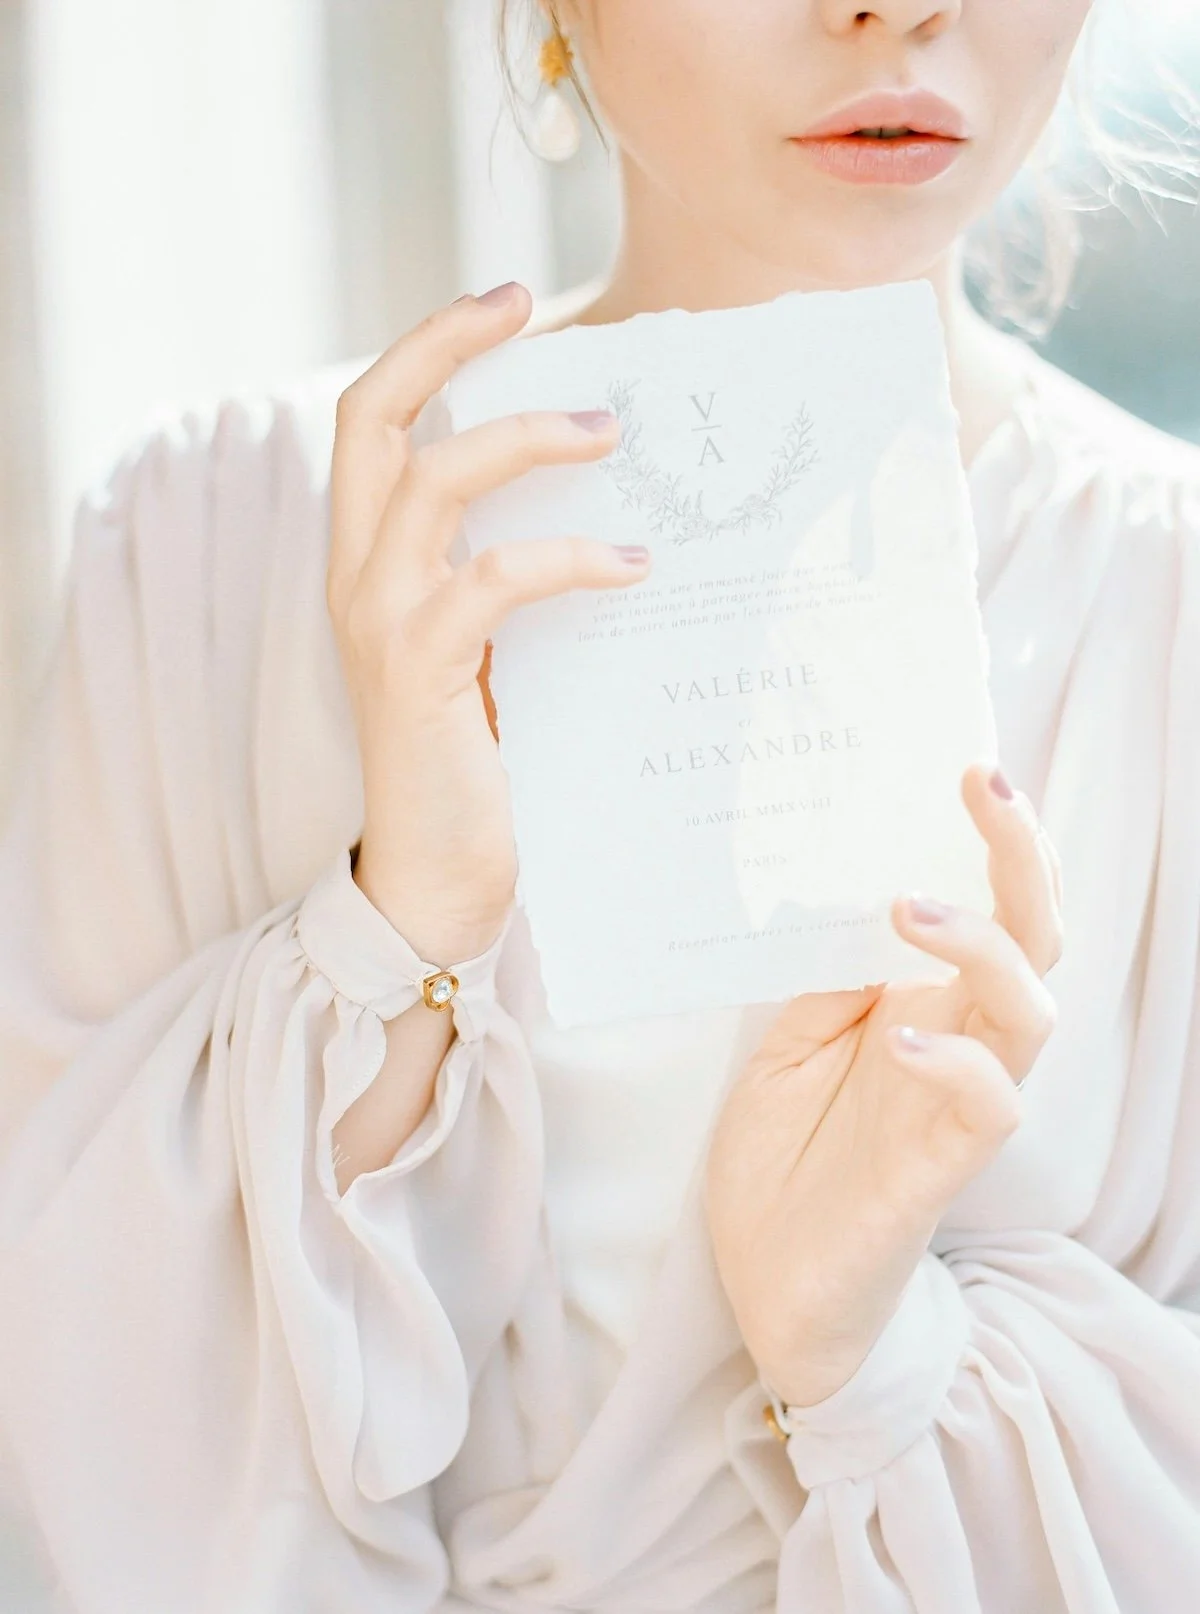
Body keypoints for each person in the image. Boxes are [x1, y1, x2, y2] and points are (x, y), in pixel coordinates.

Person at [2, 0, 1200, 1609]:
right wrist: (394, 927)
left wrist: (870, 1355)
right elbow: (96, 1441)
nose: (898, 8)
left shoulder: (1169, 618)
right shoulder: (207, 548)